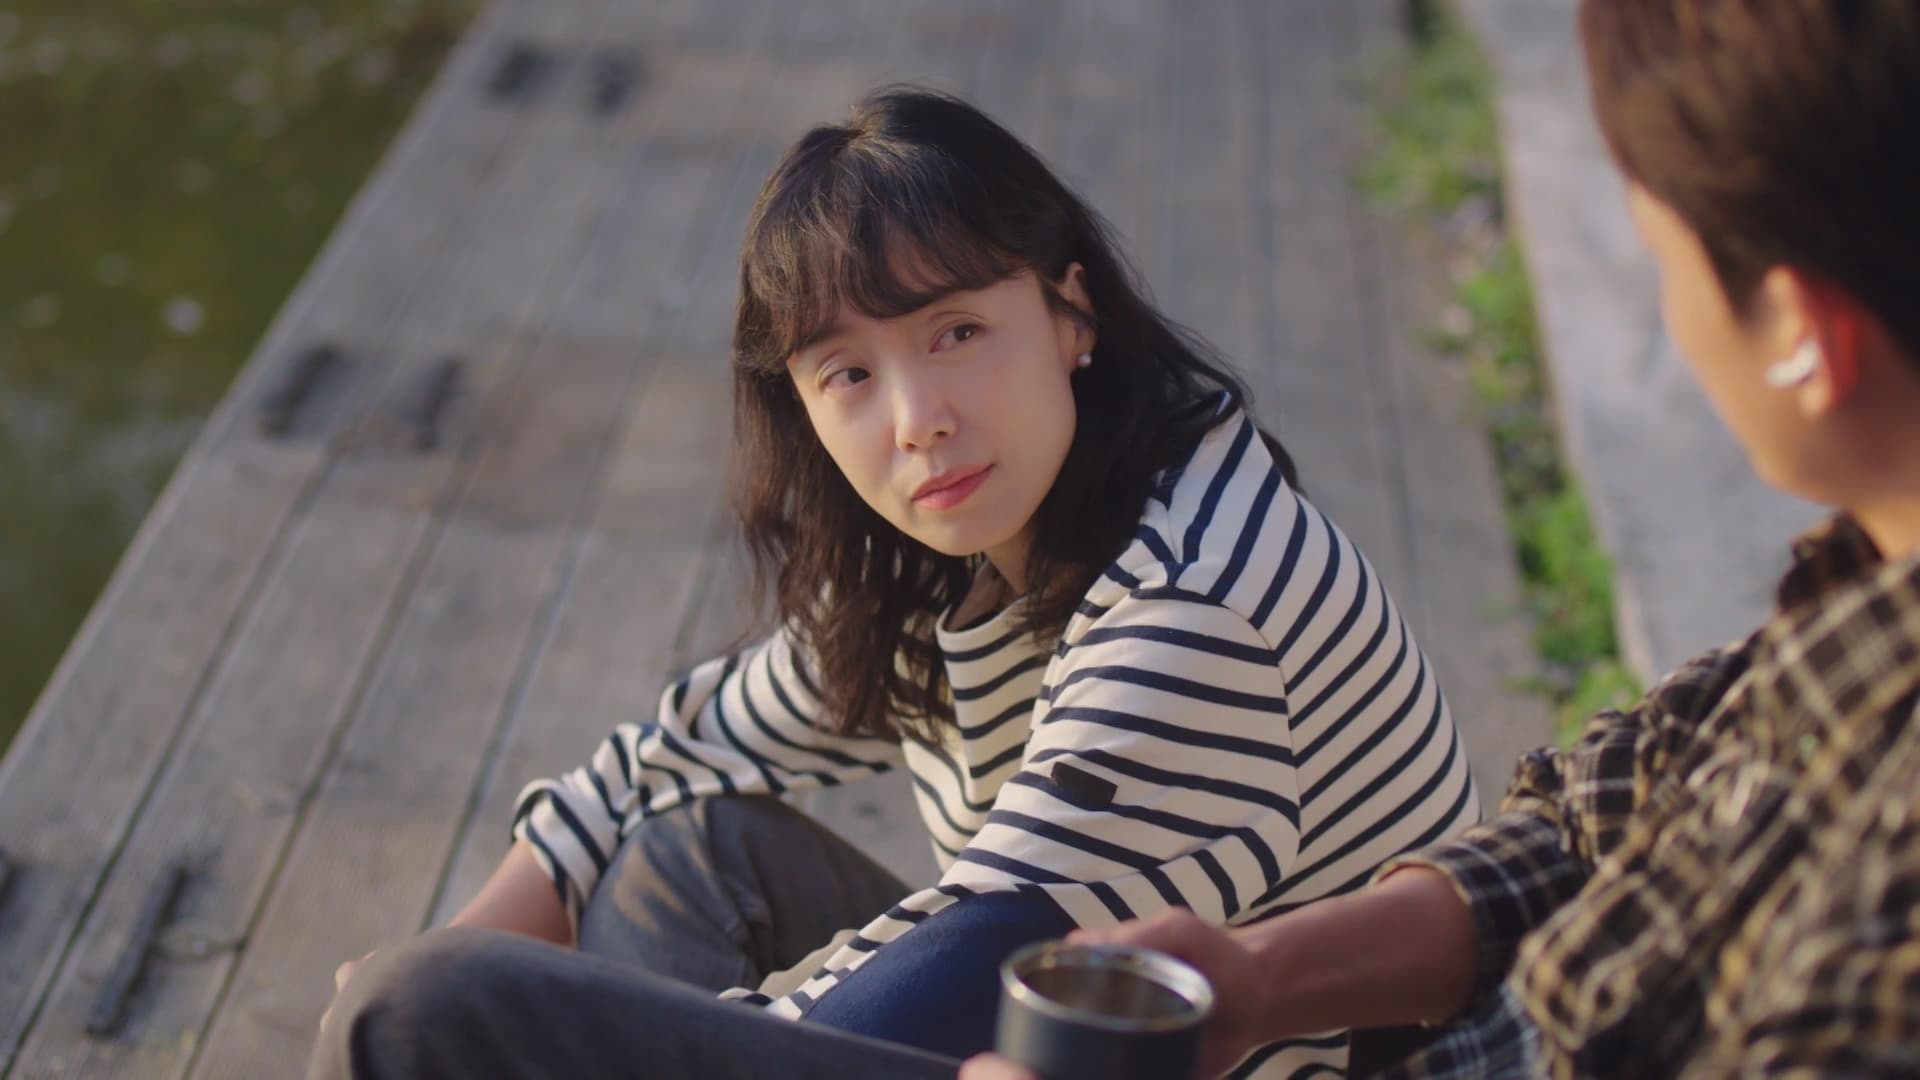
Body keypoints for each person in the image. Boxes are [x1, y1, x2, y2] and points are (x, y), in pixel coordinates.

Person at [309, 86, 1479, 1079]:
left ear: (1071, 312)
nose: (919, 419)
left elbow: (969, 950)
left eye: (956, 332)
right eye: (849, 374)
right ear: (805, 412)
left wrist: (480, 1011)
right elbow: (678, 752)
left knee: (419, 1016)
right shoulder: (955, 555)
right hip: (1033, 981)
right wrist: (469, 940)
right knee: (683, 855)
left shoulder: (1196, 614)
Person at [963, 0, 1920, 1076]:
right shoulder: (1865, 594)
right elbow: (1613, 808)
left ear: (1802, 336)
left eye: (1663, 255)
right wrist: (1258, 978)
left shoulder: (1886, 941)